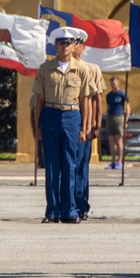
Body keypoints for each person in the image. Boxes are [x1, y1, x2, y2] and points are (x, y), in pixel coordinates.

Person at [32, 26, 96, 223]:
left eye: (68, 43)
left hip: (72, 116)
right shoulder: (45, 68)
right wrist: (37, 126)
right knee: (52, 166)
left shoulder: (82, 69)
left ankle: (69, 210)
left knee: (70, 165)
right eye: (61, 43)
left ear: (74, 45)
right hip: (50, 115)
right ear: (55, 45)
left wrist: (85, 128)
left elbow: (85, 100)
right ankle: (52, 211)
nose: (65, 46)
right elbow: (39, 100)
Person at [71, 27, 104, 221]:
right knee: (67, 166)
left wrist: (96, 125)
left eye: (76, 43)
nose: (73, 46)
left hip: (84, 124)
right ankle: (67, 203)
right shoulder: (61, 67)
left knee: (81, 168)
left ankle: (81, 204)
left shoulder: (91, 69)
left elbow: (97, 98)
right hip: (67, 121)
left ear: (82, 47)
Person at [105, 76, 130, 170]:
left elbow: (127, 107)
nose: (113, 85)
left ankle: (120, 161)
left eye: (114, 83)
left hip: (119, 117)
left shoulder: (122, 94)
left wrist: (126, 120)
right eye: (111, 83)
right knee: (111, 140)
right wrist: (107, 118)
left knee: (119, 139)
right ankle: (113, 162)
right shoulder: (109, 95)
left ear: (118, 83)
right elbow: (108, 107)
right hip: (110, 117)